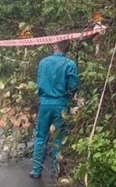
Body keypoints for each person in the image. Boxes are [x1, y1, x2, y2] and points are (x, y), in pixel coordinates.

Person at [29, 39, 79, 179]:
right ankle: (55, 171)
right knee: (59, 138)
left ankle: (36, 170)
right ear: (68, 48)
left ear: (55, 46)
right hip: (61, 105)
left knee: (41, 136)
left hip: (45, 104)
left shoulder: (43, 62)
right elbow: (74, 87)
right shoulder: (70, 64)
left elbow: (39, 83)